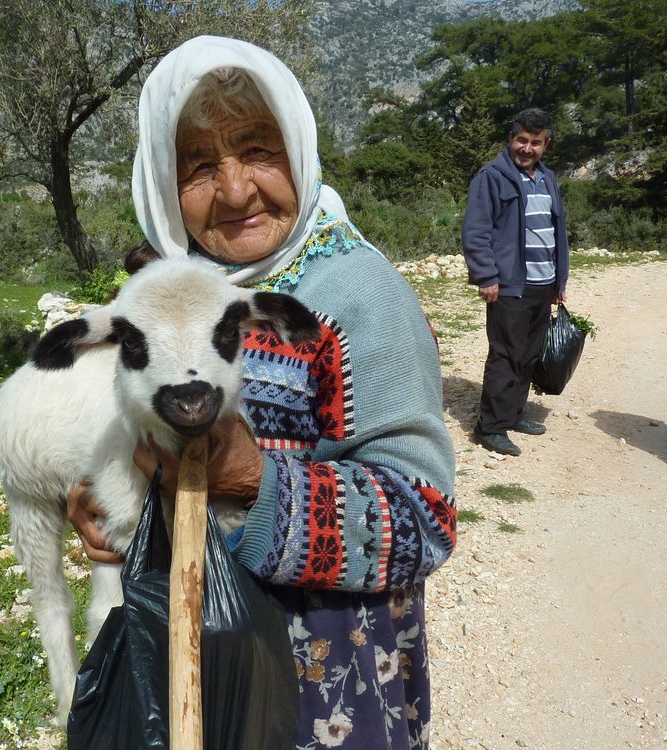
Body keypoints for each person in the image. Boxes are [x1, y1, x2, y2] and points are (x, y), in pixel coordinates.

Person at [68, 36, 456, 749]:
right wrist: (107, 494)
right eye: (199, 165)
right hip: (192, 677)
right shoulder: (160, 299)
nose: (237, 189)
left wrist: (252, 481)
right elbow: (136, 440)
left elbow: (425, 520)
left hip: (325, 697)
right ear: (160, 179)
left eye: (256, 149)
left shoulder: (356, 297)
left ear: (297, 147)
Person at [462, 108, 570, 457]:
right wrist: (487, 276)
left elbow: (557, 233)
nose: (527, 148)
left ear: (546, 145)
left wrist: (559, 280)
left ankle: (514, 414)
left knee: (528, 354)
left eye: (535, 143)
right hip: (508, 284)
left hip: (543, 283)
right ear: (511, 138)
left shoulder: (548, 178)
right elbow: (476, 231)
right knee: (505, 355)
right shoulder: (491, 177)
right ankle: (490, 427)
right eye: (521, 140)